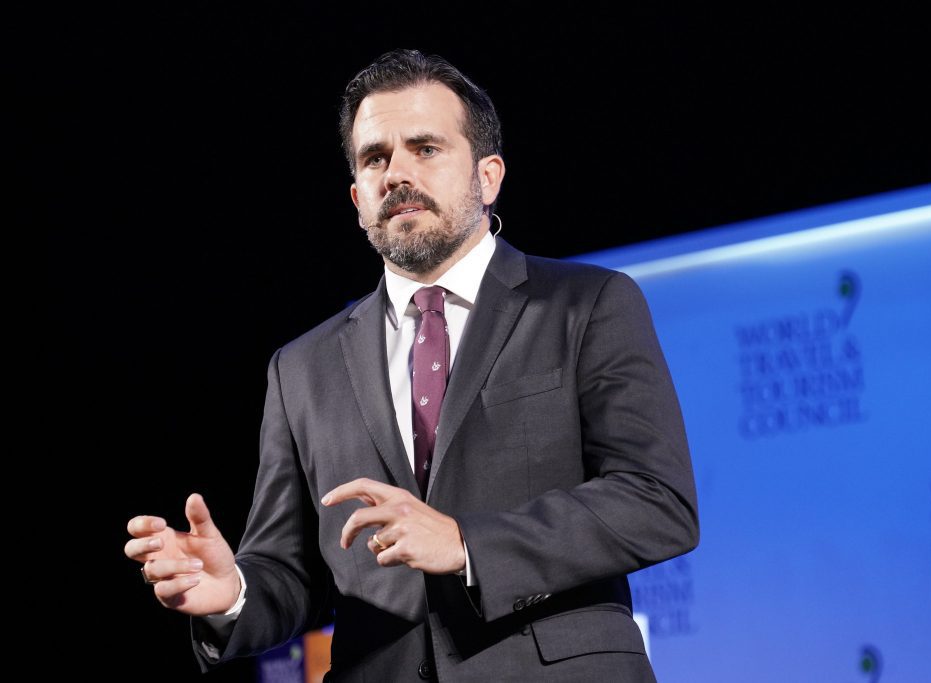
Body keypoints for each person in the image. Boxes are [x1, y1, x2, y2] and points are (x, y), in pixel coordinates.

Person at [124, 48, 699, 682]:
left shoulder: (587, 305)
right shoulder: (301, 369)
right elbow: (291, 572)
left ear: (488, 177)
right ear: (355, 197)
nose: (396, 172)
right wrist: (231, 592)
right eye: (375, 158)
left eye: (425, 148)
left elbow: (656, 500)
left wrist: (465, 543)